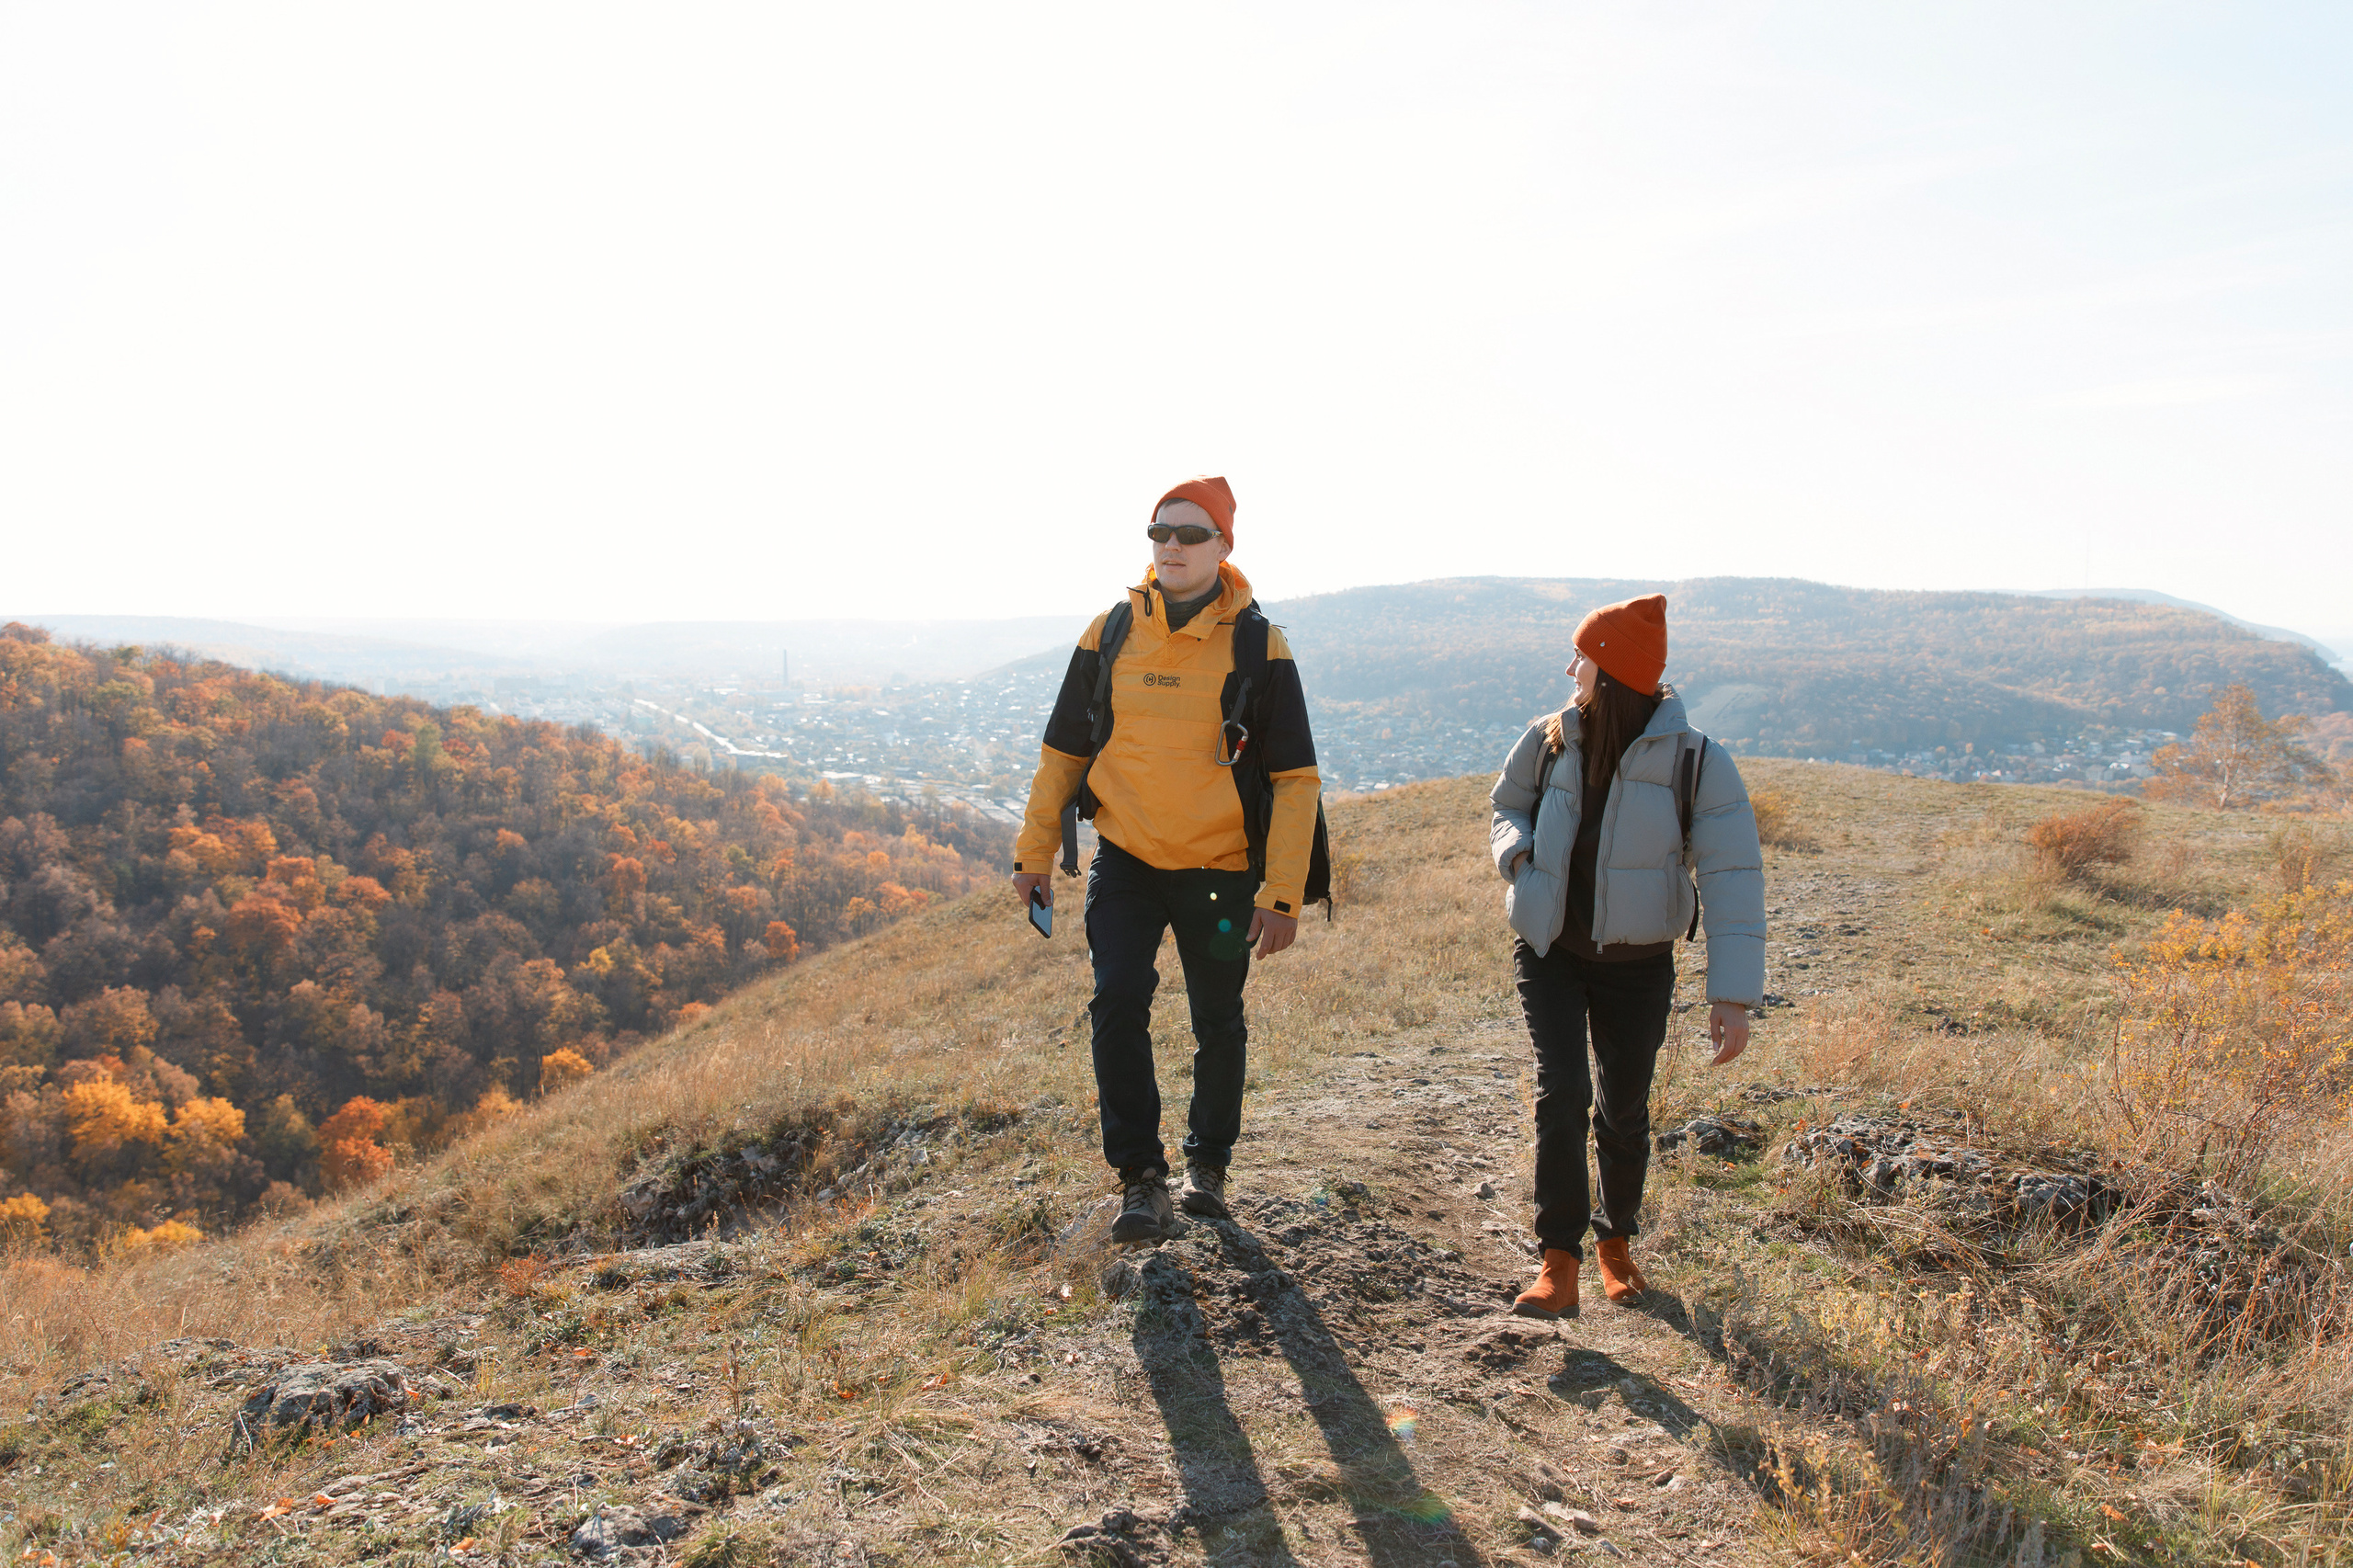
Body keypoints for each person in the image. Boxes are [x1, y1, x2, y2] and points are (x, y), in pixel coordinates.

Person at [1012, 476, 1324, 1244]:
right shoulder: (1111, 631)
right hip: (1127, 862)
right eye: (1160, 533)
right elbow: (1063, 753)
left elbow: (1295, 779)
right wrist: (1034, 852)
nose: (1172, 547)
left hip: (1221, 870)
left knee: (1217, 1018)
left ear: (1223, 545)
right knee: (1117, 1000)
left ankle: (1208, 1165)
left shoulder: (1258, 645)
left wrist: (1282, 893)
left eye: (1190, 534)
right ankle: (1141, 1178)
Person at [1488, 593, 1765, 1319]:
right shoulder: (1549, 738)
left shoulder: (1698, 761)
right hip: (1549, 948)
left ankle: (1615, 1243)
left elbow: (1733, 877)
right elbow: (1506, 805)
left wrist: (1731, 996)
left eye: (1580, 656)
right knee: (1562, 1094)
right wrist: (1518, 858)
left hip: (1638, 964)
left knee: (1624, 1107)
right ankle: (1559, 1261)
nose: (1569, 669)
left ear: (1610, 670)